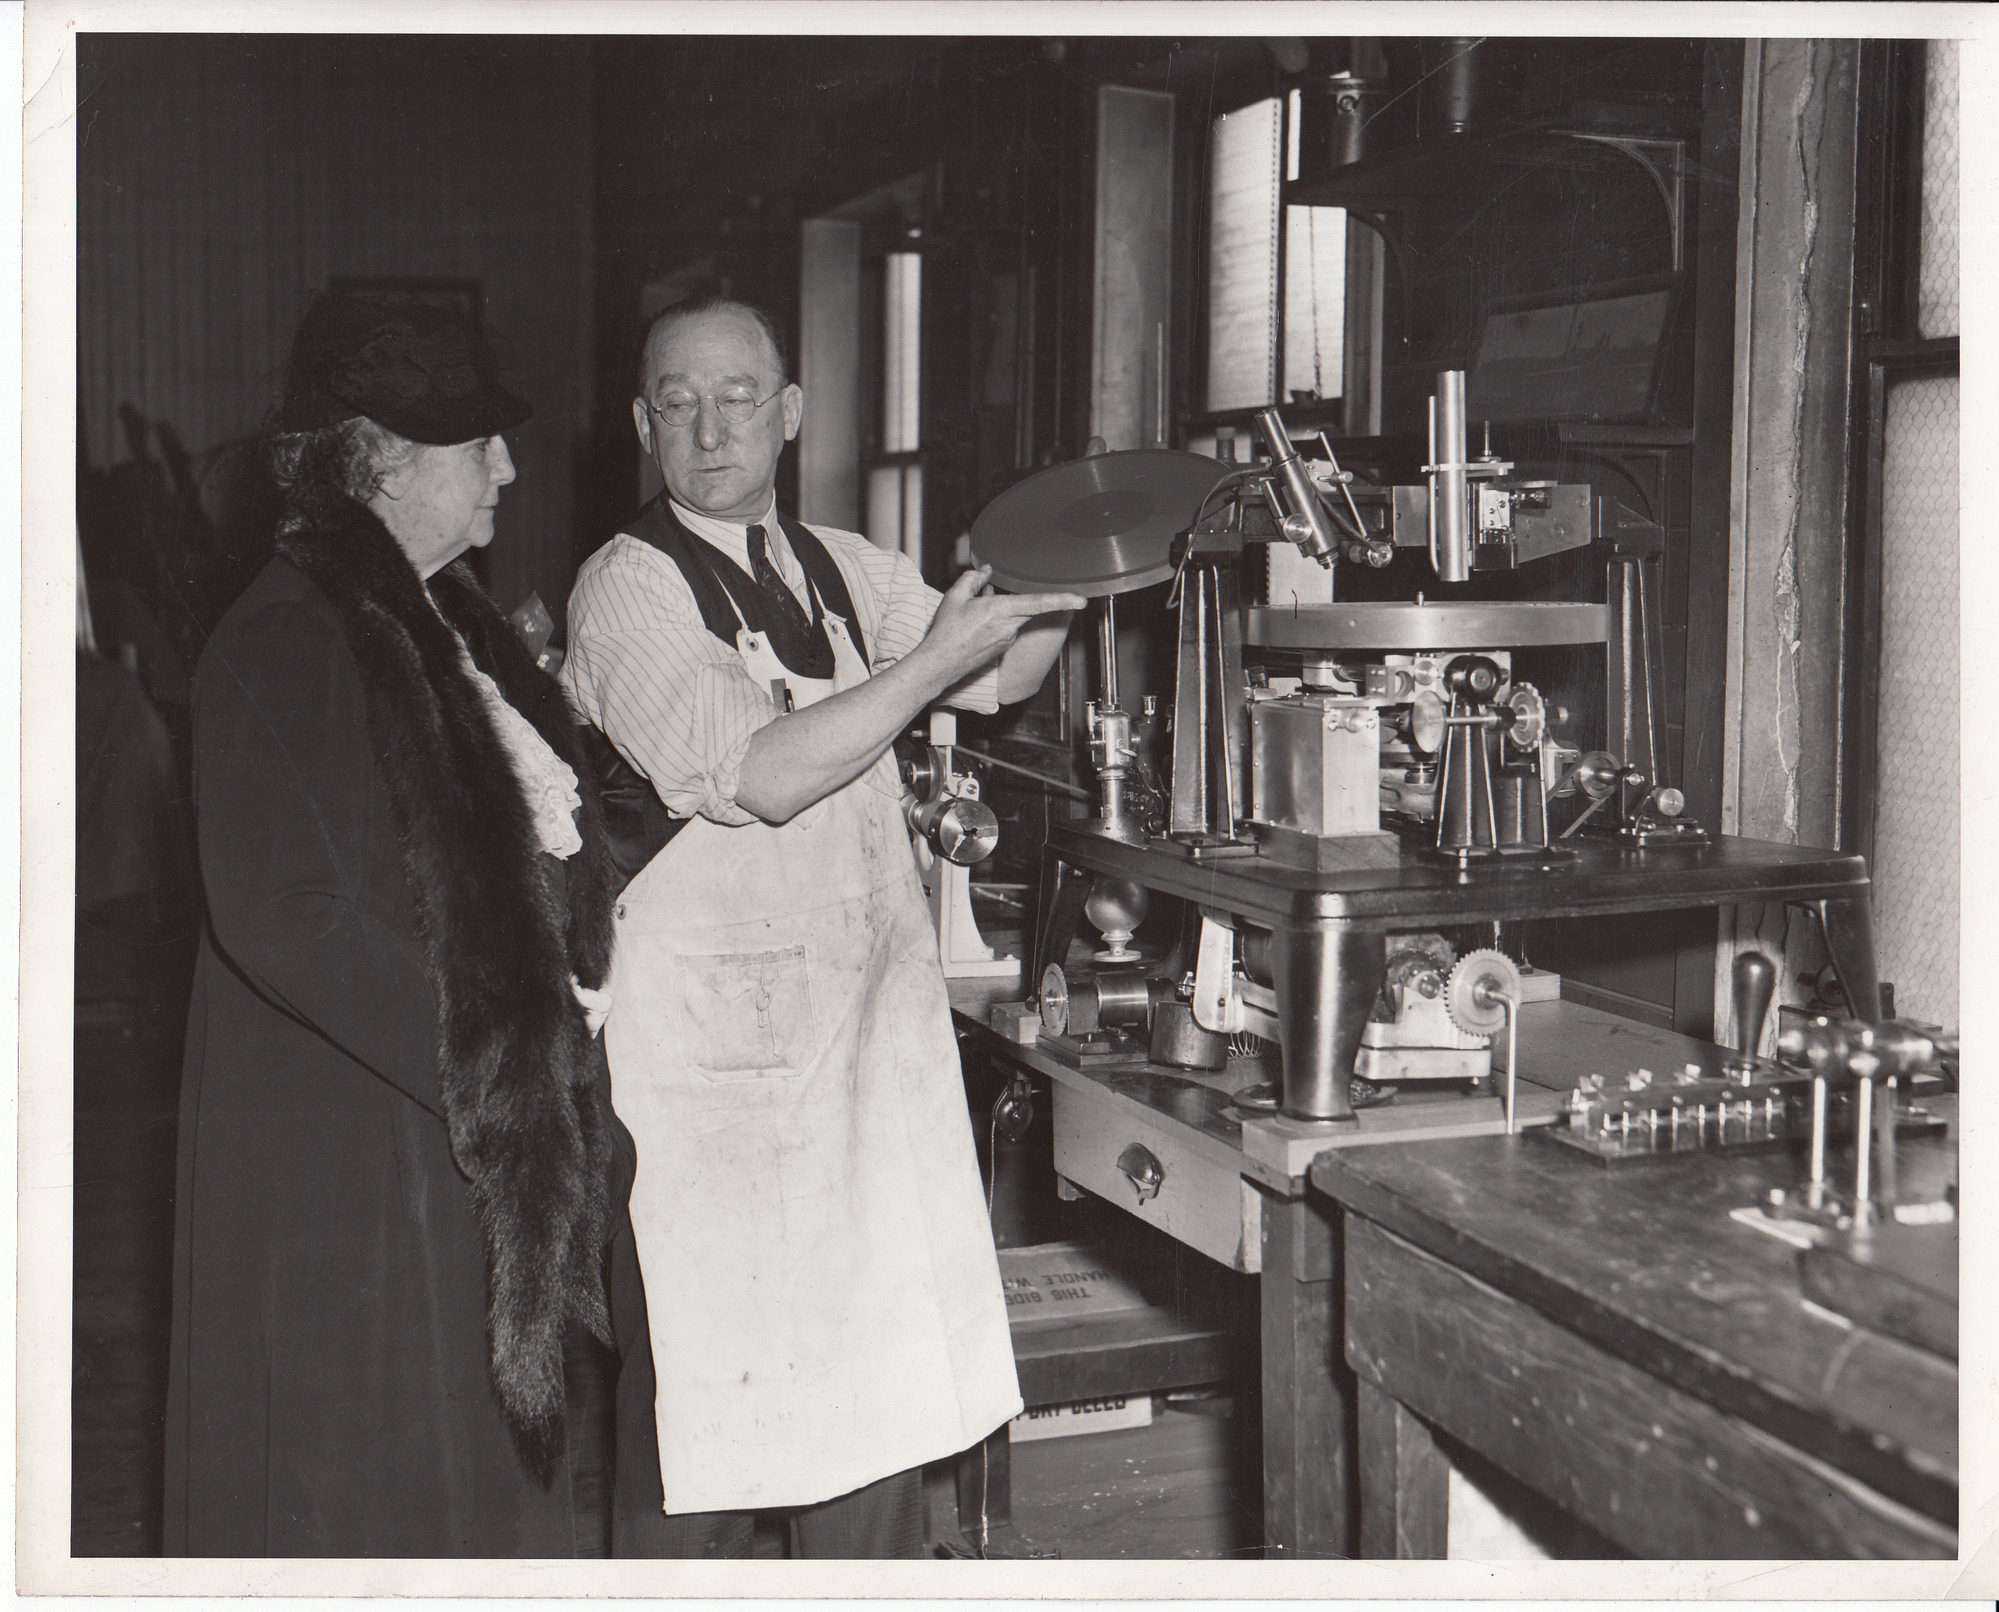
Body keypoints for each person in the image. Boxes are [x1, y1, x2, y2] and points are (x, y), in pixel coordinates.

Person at [562, 295, 1087, 1558]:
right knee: (704, 1444)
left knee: (875, 1417)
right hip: (714, 1097)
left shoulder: (845, 567)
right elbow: (760, 773)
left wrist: (1079, 563)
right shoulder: (624, 589)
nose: (709, 425)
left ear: (789, 414)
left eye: (738, 395)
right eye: (676, 402)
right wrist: (927, 667)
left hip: (859, 1059)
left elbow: (998, 672)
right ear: (642, 425)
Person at [165, 293, 645, 1556]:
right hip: (357, 1169)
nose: (510, 465)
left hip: (441, 1148)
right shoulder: (286, 635)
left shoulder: (432, 620)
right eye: (475, 440)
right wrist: (522, 1079)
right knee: (381, 1500)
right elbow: (290, 920)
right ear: (374, 456)